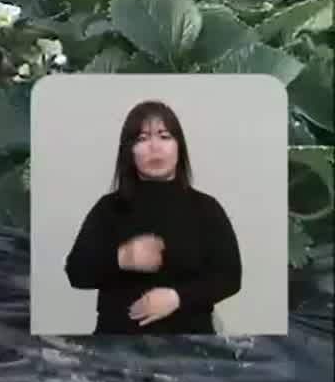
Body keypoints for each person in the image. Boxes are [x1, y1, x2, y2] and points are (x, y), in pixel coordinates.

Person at [62, 98, 242, 334]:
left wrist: (177, 297)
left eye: (164, 136)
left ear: (179, 146)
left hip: (190, 349)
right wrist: (121, 258)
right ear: (129, 151)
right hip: (117, 349)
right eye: (142, 139)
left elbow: (230, 277)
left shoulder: (206, 208)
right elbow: (76, 272)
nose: (154, 147)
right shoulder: (109, 208)